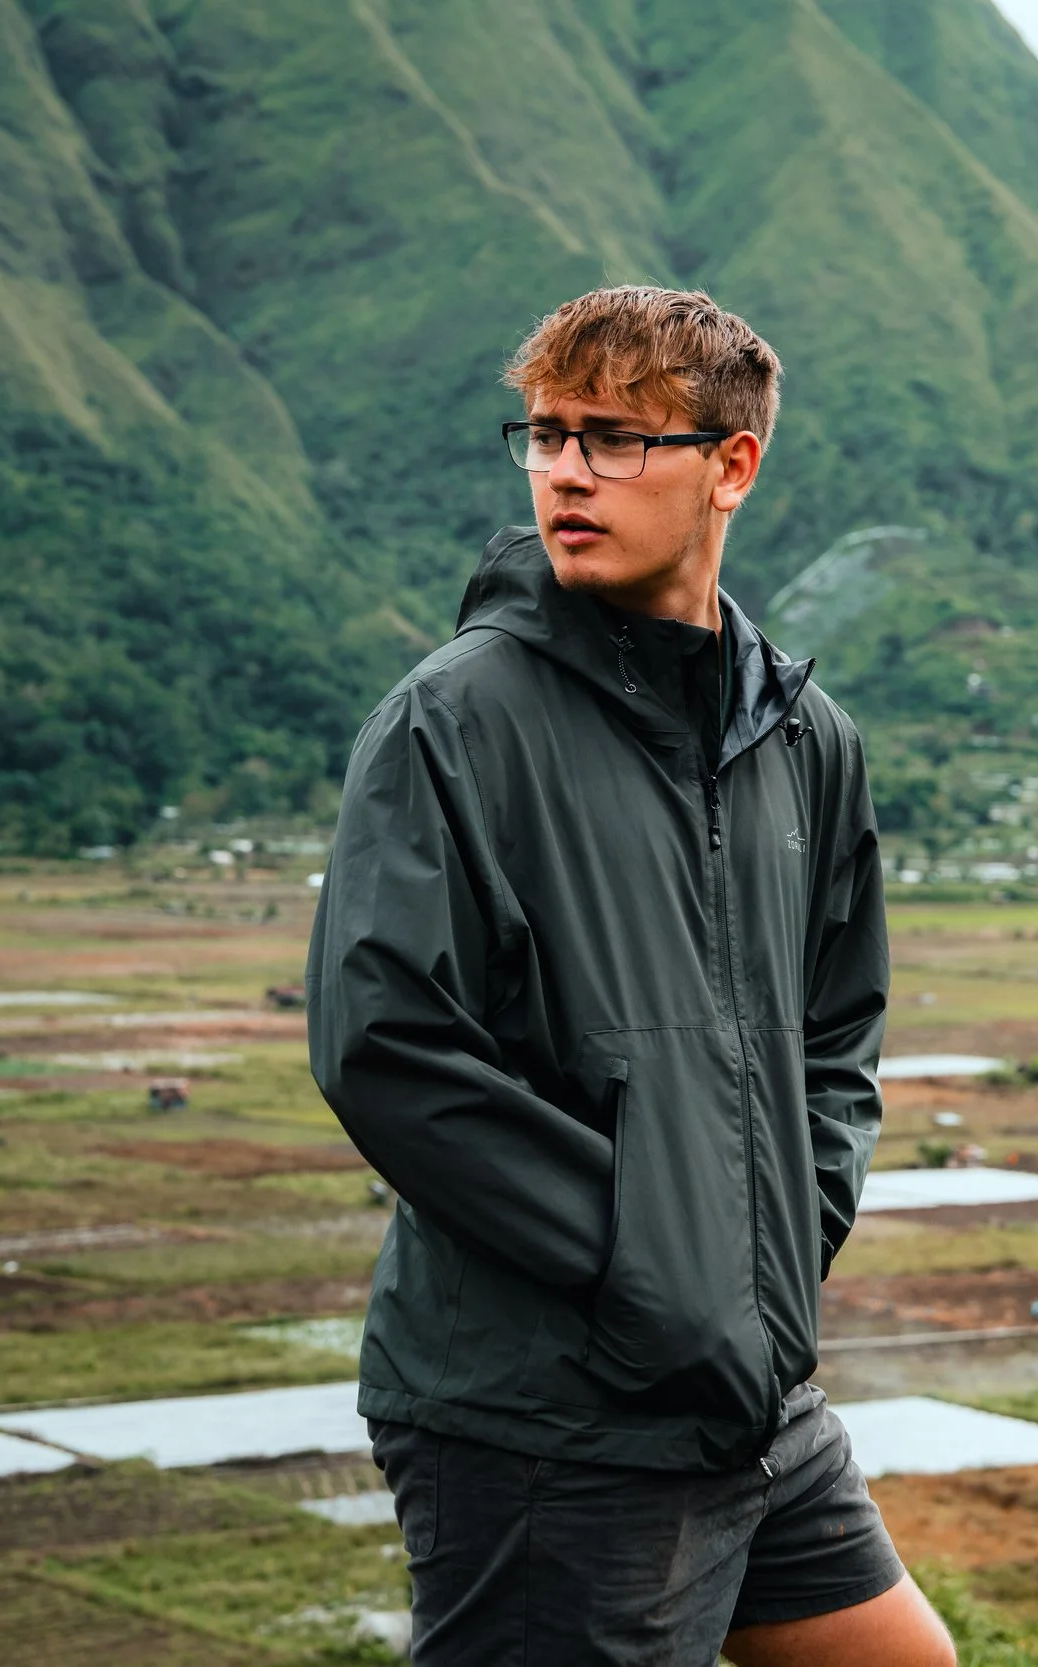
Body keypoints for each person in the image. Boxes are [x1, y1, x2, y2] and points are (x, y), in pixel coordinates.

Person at [306, 286, 952, 1667]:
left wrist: (794, 1221)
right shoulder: (457, 719)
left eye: (615, 438)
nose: (566, 472)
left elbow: (837, 1025)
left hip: (750, 1379)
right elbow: (386, 1043)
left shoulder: (804, 737)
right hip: (549, 1405)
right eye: (544, 435)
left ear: (734, 464)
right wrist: (657, 1267)